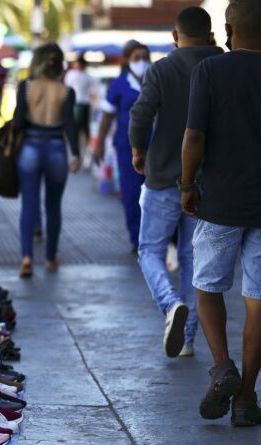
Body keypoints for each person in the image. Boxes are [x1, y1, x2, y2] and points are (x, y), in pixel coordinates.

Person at [180, 0, 261, 427]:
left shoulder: (211, 71)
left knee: (207, 285)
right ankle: (247, 399)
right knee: (258, 301)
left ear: (229, 28)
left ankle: (223, 366)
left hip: (220, 202)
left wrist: (187, 184)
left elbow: (194, 136)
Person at [129, 6, 222, 359]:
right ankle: (187, 339)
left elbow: (141, 114)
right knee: (190, 257)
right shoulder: (222, 67)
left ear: (174, 36)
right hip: (207, 180)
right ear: (212, 35)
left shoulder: (162, 69)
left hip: (163, 177)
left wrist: (139, 150)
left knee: (150, 251)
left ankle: (170, 306)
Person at [12, 43, 81, 278]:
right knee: (53, 206)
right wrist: (76, 155)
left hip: (30, 147)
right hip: (56, 149)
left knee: (29, 205)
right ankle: (50, 257)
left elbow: (18, 123)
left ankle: (26, 257)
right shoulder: (66, 92)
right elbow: (70, 126)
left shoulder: (26, 87)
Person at [96, 42, 151, 253]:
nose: (142, 63)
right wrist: (99, 143)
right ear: (128, 60)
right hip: (126, 146)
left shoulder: (156, 80)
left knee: (156, 195)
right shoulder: (119, 84)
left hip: (154, 146)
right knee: (130, 193)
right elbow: (107, 115)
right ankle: (137, 238)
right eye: (137, 58)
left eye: (145, 57)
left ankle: (154, 237)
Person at [64, 53, 97, 153]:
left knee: (75, 129)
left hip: (77, 104)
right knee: (84, 130)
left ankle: (77, 151)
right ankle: (83, 152)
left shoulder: (71, 75)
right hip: (84, 105)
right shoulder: (87, 76)